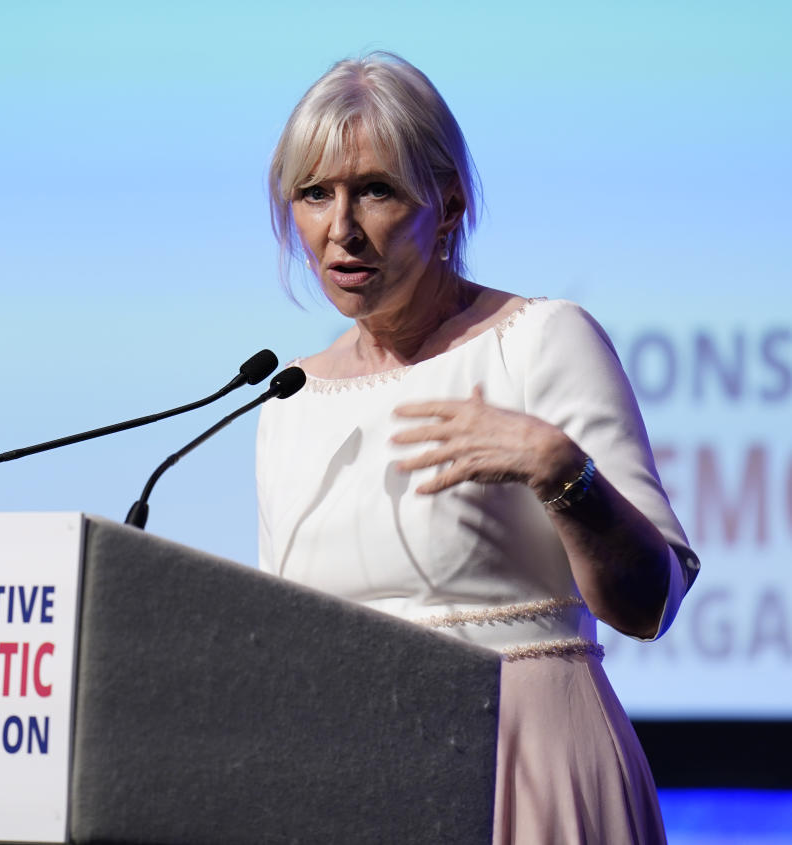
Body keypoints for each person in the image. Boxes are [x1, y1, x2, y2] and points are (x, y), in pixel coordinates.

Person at [256, 52, 700, 845]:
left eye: (377, 190)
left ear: (449, 203)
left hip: (525, 769)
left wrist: (561, 469)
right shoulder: (290, 395)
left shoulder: (541, 342)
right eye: (314, 194)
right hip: (345, 790)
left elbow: (650, 603)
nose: (340, 227)